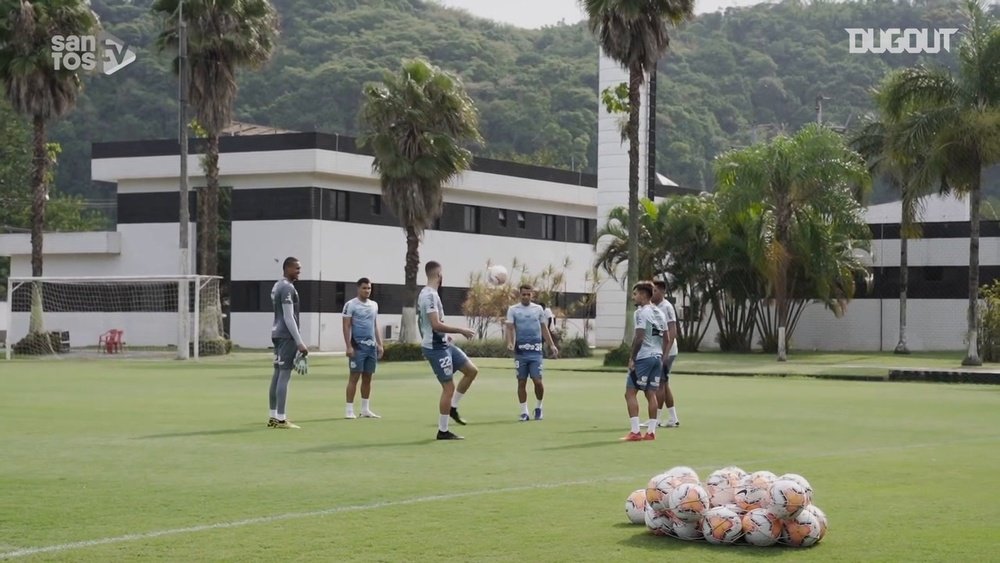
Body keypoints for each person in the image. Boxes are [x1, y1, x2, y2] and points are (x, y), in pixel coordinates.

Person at [417, 261, 480, 440]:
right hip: (435, 348)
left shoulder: (431, 294)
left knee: (471, 371)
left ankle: (453, 407)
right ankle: (443, 431)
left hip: (443, 344)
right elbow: (435, 324)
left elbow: (423, 323)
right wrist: (461, 330)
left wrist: (446, 336)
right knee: (448, 387)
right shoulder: (428, 296)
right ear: (438, 275)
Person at [622, 281, 669, 441]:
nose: (633, 297)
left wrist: (632, 358)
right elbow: (666, 338)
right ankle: (651, 432)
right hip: (656, 357)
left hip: (644, 357)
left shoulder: (642, 312)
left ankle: (635, 432)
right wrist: (661, 357)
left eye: (635, 294)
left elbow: (640, 336)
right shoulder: (659, 313)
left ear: (643, 295)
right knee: (650, 393)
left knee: (630, 393)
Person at [505, 285, 559, 421]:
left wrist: (552, 345)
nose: (526, 297)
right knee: (521, 382)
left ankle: (539, 407)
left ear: (532, 295)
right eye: (523, 294)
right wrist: (510, 343)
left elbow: (544, 328)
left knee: (537, 381)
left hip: (536, 351)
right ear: (520, 295)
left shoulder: (538, 309)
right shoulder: (513, 310)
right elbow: (510, 328)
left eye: (528, 294)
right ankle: (524, 412)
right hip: (520, 352)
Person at [268, 257, 308, 429]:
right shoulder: (287, 288)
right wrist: (299, 341)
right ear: (287, 268)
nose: (299, 272)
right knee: (284, 375)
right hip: (287, 336)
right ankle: (281, 418)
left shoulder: (277, 285)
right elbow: (288, 316)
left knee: (277, 374)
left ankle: (273, 416)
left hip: (276, 333)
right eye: (296, 269)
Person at [343, 277, 384, 419]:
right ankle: (349, 410)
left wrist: (379, 344)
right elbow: (346, 325)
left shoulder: (374, 305)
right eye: (364, 288)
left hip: (371, 347)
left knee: (368, 378)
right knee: (354, 377)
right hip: (357, 346)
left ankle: (365, 409)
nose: (367, 291)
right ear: (358, 288)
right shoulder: (350, 305)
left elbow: (374, 325)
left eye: (369, 288)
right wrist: (348, 346)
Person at [652, 280, 680, 428]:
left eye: (655, 291)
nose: (652, 293)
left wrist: (665, 354)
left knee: (659, 384)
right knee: (664, 384)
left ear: (662, 292)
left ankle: (655, 419)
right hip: (658, 349)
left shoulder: (666, 307)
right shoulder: (653, 307)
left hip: (667, 351)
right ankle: (673, 418)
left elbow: (672, 332)